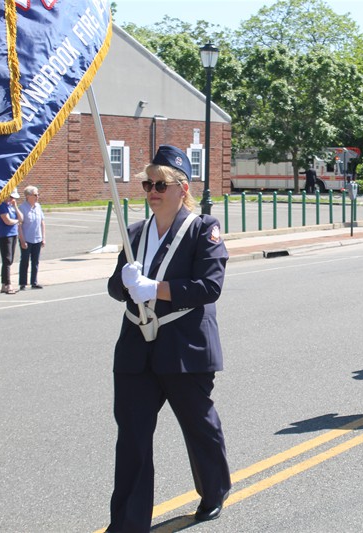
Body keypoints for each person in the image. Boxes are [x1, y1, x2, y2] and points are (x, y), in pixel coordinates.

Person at [106, 145, 231, 530]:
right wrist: (125, 284)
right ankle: (128, 523)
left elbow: (209, 287)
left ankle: (214, 491)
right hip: (136, 351)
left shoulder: (202, 229)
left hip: (184, 349)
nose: (153, 190)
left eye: (161, 183)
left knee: (199, 429)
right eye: (148, 183)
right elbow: (115, 287)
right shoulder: (135, 233)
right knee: (133, 441)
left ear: (182, 187)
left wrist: (154, 288)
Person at [0, 188, 23, 294]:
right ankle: (8, 284)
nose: (12, 199)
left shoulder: (11, 206)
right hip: (5, 235)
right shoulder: (1, 206)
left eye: (13, 198)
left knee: (10, 260)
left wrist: (15, 206)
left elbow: (21, 217)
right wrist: (17, 221)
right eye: (11, 197)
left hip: (13, 234)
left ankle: (4, 284)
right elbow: (7, 221)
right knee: (7, 260)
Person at [18, 185, 46, 290]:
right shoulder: (22, 208)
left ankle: (34, 282)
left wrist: (43, 237)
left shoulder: (38, 206)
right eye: (35, 195)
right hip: (26, 239)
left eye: (38, 194)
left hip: (37, 238)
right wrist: (22, 240)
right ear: (28, 196)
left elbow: (42, 222)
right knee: (24, 261)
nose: (37, 196)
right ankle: (23, 283)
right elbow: (19, 225)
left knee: (35, 261)